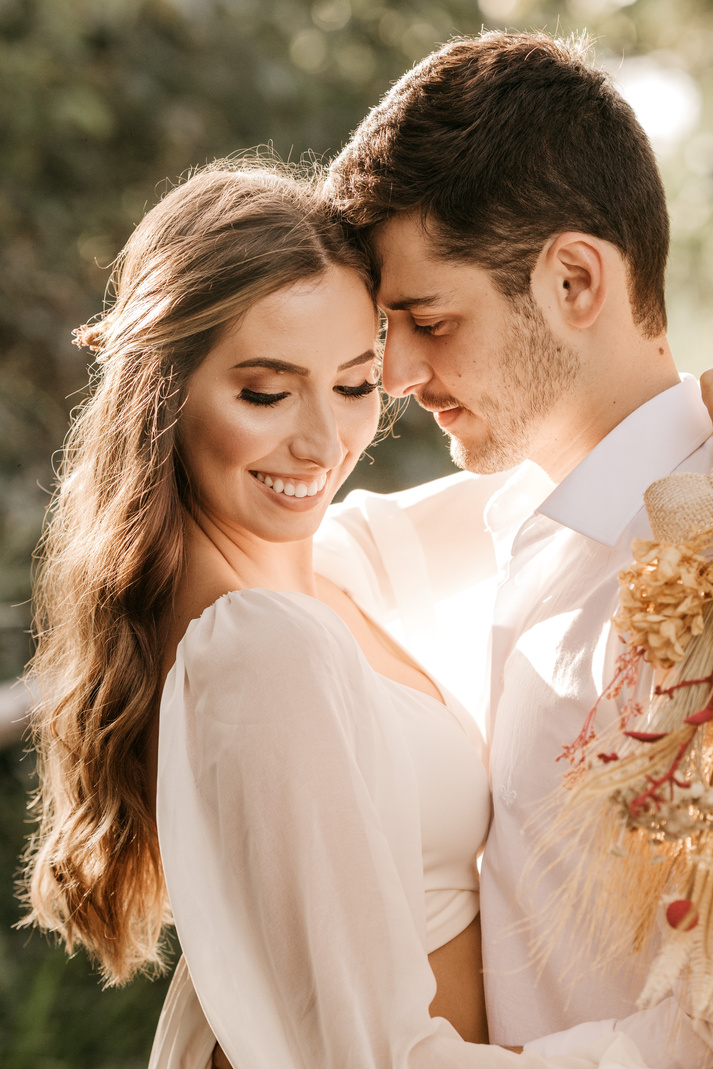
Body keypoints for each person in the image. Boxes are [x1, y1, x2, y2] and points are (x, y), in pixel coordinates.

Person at [21, 161, 646, 1069]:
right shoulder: (261, 649)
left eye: (355, 385)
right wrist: (660, 1042)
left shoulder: (323, 565)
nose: (322, 445)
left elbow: (558, 477)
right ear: (164, 390)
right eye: (265, 393)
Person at [321, 27, 713, 1068]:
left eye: (428, 320)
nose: (395, 370)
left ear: (574, 282)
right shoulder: (514, 520)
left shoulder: (698, 549)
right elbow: (304, 551)